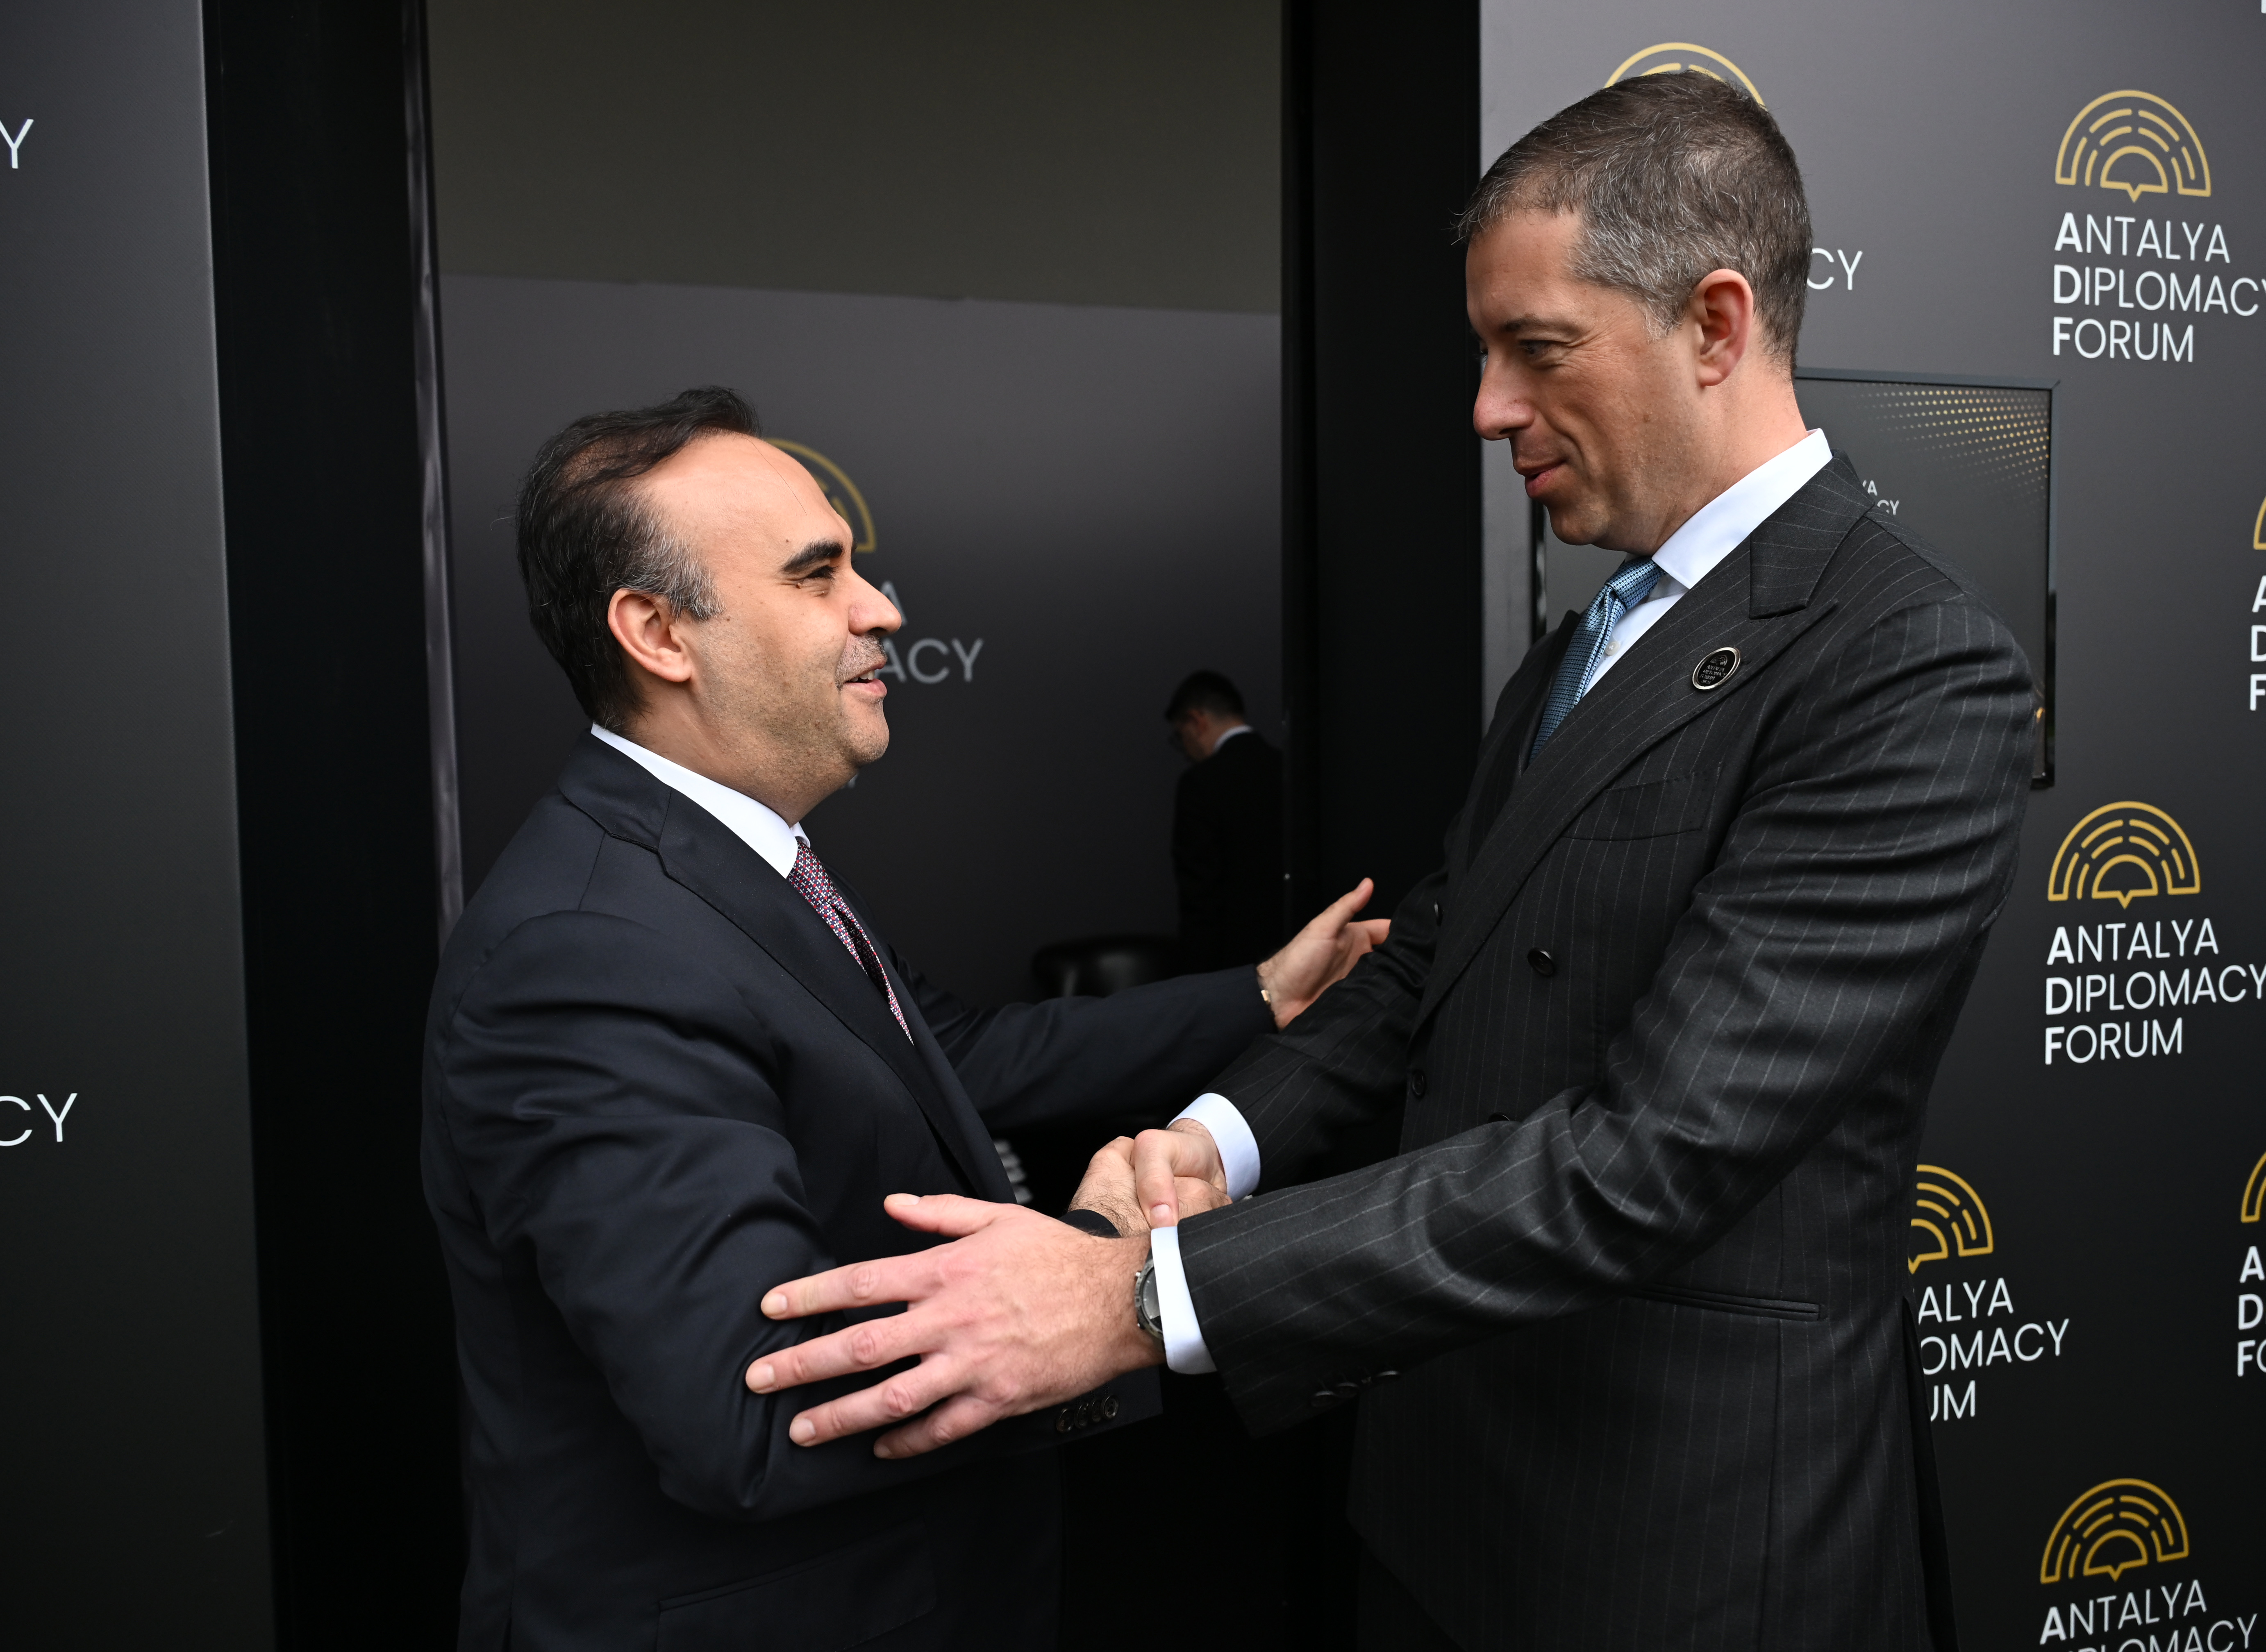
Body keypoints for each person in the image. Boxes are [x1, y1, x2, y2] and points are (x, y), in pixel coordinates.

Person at [739, 73, 2033, 1652]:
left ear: (1712, 324)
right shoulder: (1581, 645)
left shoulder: (1904, 663)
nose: (1485, 408)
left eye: (1533, 349)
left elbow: (1657, 1155)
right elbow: (1430, 959)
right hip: (1441, 1492)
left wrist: (1142, 1294)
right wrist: (1215, 1142)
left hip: (1677, 1541)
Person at [418, 387, 1386, 1650]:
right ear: (659, 633)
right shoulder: (589, 949)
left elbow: (961, 1056)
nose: (881, 608)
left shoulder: (741, 864)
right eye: (817, 574)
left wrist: (1262, 995)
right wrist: (1098, 1256)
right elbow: (755, 1410)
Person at [1164, 669, 1287, 970]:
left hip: (1233, 964)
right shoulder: (1290, 769)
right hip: (1295, 952)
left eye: (1181, 737)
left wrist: (1193, 978)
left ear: (1196, 722)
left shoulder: (1200, 784)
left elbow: (1200, 899)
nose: (1186, 751)